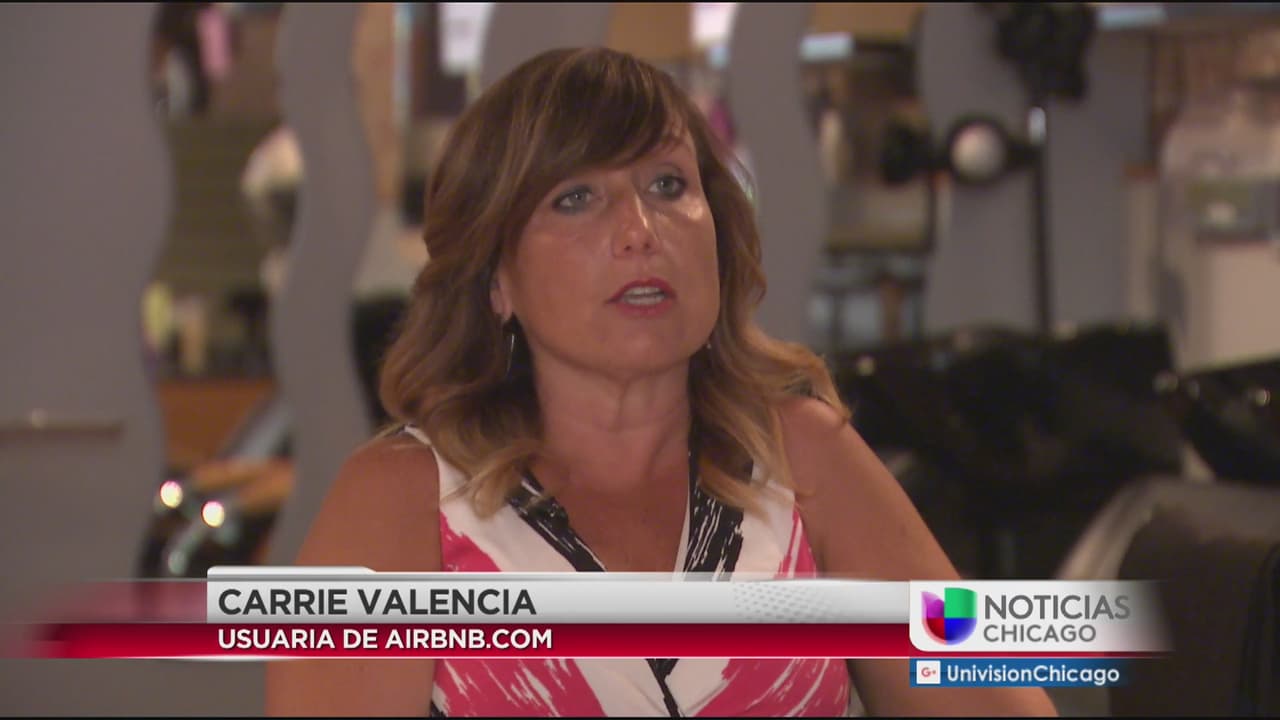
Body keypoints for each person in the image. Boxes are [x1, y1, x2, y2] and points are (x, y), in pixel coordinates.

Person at [265, 47, 1058, 717]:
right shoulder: (404, 498)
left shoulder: (804, 455)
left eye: (668, 186)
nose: (639, 232)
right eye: (577, 198)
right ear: (495, 278)